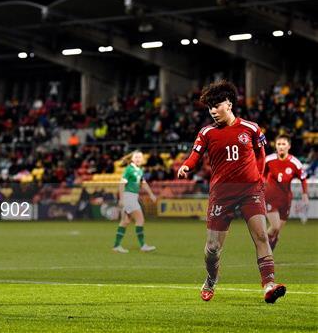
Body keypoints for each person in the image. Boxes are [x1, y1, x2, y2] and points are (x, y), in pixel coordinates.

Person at [177, 80, 285, 304]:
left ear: (229, 103)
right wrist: (187, 165)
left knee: (261, 235)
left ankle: (269, 284)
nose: (213, 111)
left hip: (250, 191)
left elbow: (261, 154)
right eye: (210, 108)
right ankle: (210, 279)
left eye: (216, 105)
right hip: (221, 193)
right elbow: (195, 155)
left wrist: (259, 178)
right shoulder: (206, 132)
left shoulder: (251, 128)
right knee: (213, 248)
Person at [264, 134, 309, 248]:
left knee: (277, 233)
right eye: (279, 144)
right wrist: (262, 183)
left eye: (284, 144)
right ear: (276, 146)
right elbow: (261, 174)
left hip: (285, 200)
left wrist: (305, 194)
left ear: (289, 146)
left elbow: (303, 179)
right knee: (275, 227)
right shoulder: (269, 159)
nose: (281, 147)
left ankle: (269, 257)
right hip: (270, 198)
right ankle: (261, 244)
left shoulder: (295, 163)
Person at [112, 150, 157, 253]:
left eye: (140, 157)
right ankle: (143, 246)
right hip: (129, 197)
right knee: (140, 220)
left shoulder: (139, 170)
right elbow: (122, 184)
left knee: (125, 221)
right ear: (132, 159)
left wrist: (151, 194)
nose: (138, 159)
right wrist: (122, 199)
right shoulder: (129, 169)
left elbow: (143, 183)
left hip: (132, 197)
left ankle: (116, 246)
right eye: (136, 157)